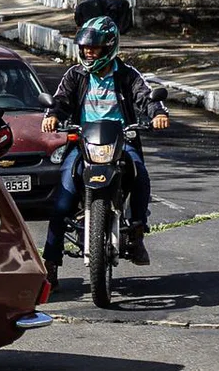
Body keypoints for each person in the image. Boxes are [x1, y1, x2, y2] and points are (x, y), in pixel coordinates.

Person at [41, 16, 169, 286]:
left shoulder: (126, 74)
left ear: (109, 47)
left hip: (122, 140)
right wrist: (53, 114)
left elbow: (145, 97)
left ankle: (136, 232)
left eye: (95, 48)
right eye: (86, 47)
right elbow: (61, 100)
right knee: (62, 201)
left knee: (141, 175)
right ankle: (50, 265)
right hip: (83, 143)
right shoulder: (76, 74)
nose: (89, 52)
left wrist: (157, 113)